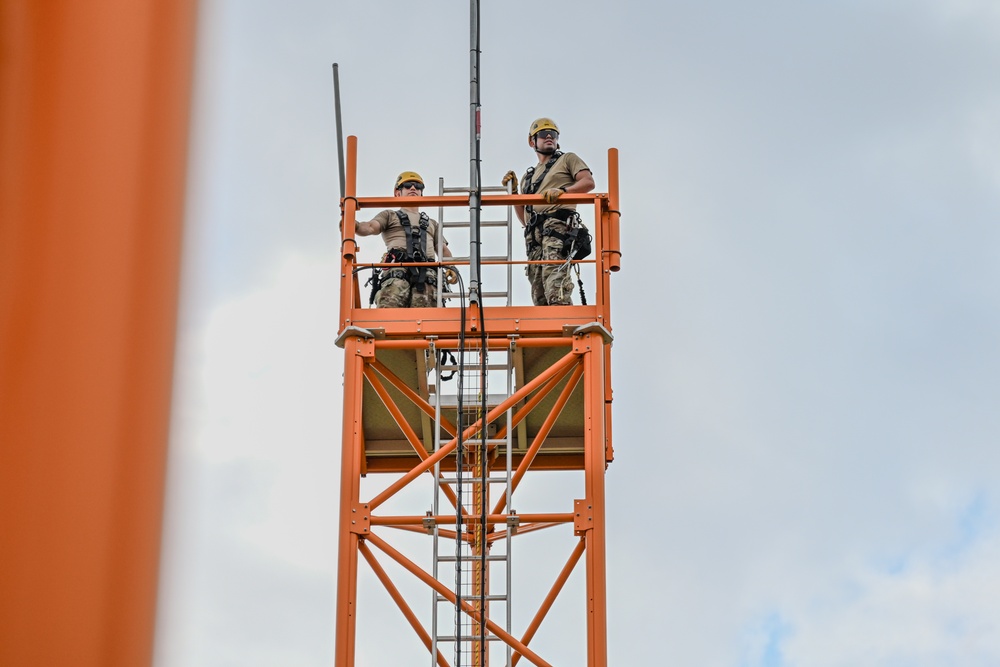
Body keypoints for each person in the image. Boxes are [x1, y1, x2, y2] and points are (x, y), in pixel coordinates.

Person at [506, 118, 595, 306]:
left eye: (553, 134)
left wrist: (563, 192)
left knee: (555, 282)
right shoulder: (528, 177)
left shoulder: (567, 159)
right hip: (534, 237)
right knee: (538, 292)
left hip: (556, 227)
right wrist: (514, 194)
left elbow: (588, 182)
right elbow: (525, 220)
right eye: (543, 134)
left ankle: (563, 319)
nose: (549, 137)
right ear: (532, 141)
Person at [355, 171, 453, 308]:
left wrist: (452, 267)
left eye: (418, 186)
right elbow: (370, 227)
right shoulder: (389, 215)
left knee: (427, 321)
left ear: (421, 193)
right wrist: (355, 226)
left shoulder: (432, 223)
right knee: (389, 316)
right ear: (397, 192)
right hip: (397, 274)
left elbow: (443, 249)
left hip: (427, 276)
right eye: (407, 185)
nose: (413, 188)